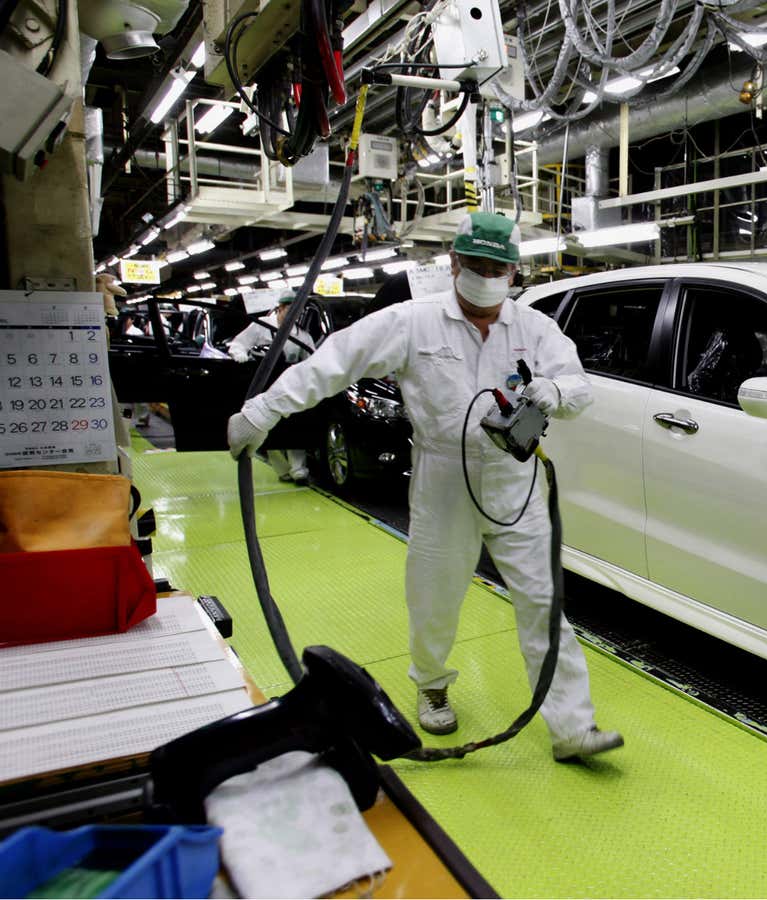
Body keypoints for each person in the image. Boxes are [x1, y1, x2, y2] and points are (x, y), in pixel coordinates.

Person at [226, 213, 623, 761]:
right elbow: (334, 363)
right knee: (435, 596)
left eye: (497, 268)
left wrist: (555, 389)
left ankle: (572, 728)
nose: (486, 276)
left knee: (542, 601)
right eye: (476, 265)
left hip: (516, 477)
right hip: (442, 477)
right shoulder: (413, 323)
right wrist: (264, 409)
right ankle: (432, 683)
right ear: (454, 264)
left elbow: (580, 390)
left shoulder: (533, 328)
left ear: (513, 273)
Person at [228, 295, 315, 484]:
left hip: (289, 383)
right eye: (291, 310)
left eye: (298, 311)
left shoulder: (301, 334)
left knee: (293, 424)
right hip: (264, 381)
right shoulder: (261, 326)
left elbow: (311, 357)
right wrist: (240, 355)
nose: (295, 315)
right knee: (267, 425)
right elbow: (238, 344)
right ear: (281, 308)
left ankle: (298, 469)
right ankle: (282, 468)